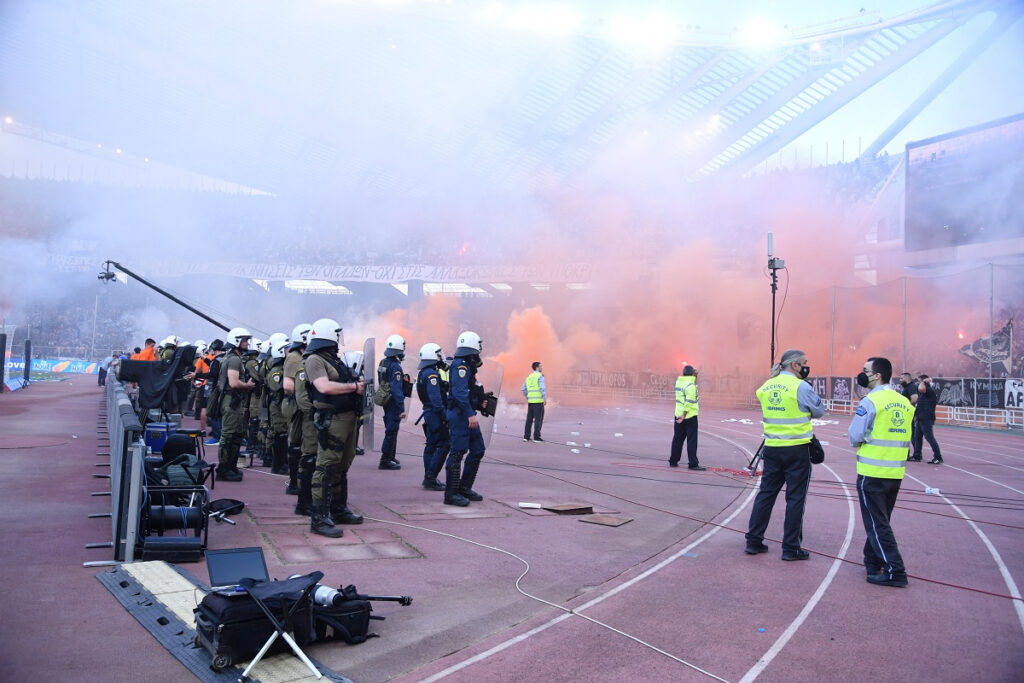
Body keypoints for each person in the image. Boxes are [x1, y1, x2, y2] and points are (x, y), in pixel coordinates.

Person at [745, 349, 824, 560]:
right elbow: (819, 411)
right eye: (805, 362)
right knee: (795, 498)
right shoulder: (801, 386)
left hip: (772, 448)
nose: (807, 366)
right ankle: (790, 548)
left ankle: (753, 541)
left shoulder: (766, 386)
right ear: (795, 365)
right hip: (797, 449)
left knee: (766, 494)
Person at [849, 356, 913, 587]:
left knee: (877, 524)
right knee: (880, 520)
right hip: (895, 473)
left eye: (865, 370)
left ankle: (896, 570)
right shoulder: (904, 402)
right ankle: (872, 560)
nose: (862, 373)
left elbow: (855, 435)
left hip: (872, 471)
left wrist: (862, 441)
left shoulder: (870, 402)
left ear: (877, 375)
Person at [304, 318, 364, 538]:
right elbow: (323, 386)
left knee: (341, 467)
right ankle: (319, 519)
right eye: (336, 335)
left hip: (348, 418)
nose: (339, 339)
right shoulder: (314, 360)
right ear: (329, 335)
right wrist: (353, 387)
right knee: (325, 468)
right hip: (332, 420)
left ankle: (339, 510)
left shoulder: (333, 359)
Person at [443, 331, 492, 507]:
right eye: (479, 345)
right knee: (457, 453)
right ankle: (451, 494)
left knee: (478, 449)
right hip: (460, 414)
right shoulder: (460, 366)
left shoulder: (467, 366)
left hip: (466, 412)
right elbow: (459, 392)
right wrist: (471, 413)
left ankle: (464, 487)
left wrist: (480, 402)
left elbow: (469, 391)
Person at [215, 328, 255, 482]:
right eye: (244, 340)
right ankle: (224, 469)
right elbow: (233, 382)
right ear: (237, 341)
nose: (246, 343)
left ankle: (231, 466)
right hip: (231, 401)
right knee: (229, 435)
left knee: (236, 434)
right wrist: (247, 385)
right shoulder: (234, 359)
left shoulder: (231, 357)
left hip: (233, 400)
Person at [283, 322, 313, 503]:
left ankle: (296, 481)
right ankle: (295, 482)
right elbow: (287, 385)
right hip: (298, 407)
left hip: (298, 405)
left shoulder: (301, 356)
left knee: (297, 443)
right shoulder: (295, 358)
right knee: (296, 442)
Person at [417, 343, 449, 491]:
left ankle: (428, 476)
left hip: (428, 413)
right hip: (435, 413)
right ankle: (431, 477)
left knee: (430, 445)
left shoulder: (423, 372)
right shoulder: (431, 374)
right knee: (443, 444)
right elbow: (436, 399)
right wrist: (444, 415)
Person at [377, 334, 407, 471]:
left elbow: (382, 381)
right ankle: (385, 459)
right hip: (393, 402)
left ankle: (391, 456)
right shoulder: (396, 367)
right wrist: (402, 408)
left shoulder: (383, 362)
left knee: (391, 429)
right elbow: (396, 389)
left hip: (385, 400)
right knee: (392, 430)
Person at [264, 332, 291, 475]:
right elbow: (276, 387)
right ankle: (278, 465)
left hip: (282, 405)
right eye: (287, 350)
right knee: (280, 435)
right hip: (277, 406)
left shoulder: (283, 369)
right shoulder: (276, 371)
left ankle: (282, 463)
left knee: (283, 435)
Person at [669, 364, 703, 470]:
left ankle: (673, 461)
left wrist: (694, 376)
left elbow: (690, 382)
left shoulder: (679, 382)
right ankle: (693, 463)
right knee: (692, 440)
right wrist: (684, 415)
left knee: (677, 439)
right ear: (692, 373)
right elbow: (689, 402)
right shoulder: (691, 385)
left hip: (678, 414)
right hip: (689, 416)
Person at [912, 374, 943, 464]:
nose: (917, 383)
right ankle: (917, 455)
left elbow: (921, 388)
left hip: (926, 418)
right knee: (917, 437)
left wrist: (924, 381)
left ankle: (938, 457)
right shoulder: (923, 392)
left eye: (918, 381)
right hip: (920, 418)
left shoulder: (928, 391)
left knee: (929, 438)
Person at [521, 361, 546, 442]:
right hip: (538, 401)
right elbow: (542, 388)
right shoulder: (540, 376)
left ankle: (526, 436)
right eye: (541, 366)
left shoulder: (529, 377)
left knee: (529, 419)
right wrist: (544, 398)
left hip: (531, 401)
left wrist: (528, 397)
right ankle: (536, 437)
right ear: (537, 368)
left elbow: (523, 389)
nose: (542, 368)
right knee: (538, 419)